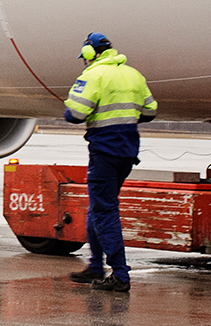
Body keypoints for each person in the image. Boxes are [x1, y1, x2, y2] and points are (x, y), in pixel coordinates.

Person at [63, 33, 158, 291]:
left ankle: (120, 275)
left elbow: (75, 113)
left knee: (105, 212)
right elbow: (150, 111)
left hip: (104, 153)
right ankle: (95, 265)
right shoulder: (133, 75)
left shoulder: (93, 76)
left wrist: (70, 110)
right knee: (98, 208)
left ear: (90, 54)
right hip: (127, 151)